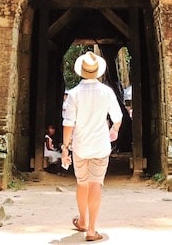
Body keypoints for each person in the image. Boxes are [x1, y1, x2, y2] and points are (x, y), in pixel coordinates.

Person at [61, 51, 122, 242]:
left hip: (80, 146)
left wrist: (65, 147)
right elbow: (118, 117)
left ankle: (82, 220)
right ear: (98, 72)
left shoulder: (73, 94)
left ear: (81, 72)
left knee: (82, 183)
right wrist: (114, 130)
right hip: (101, 146)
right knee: (96, 184)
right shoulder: (107, 92)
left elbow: (68, 123)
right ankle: (92, 230)